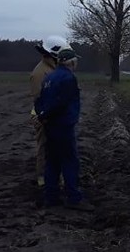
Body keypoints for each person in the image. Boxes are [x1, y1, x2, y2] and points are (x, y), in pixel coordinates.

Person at [36, 46, 92, 210]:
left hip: (50, 126)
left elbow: (39, 100)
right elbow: (62, 102)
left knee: (52, 162)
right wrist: (50, 114)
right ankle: (74, 198)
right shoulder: (68, 79)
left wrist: (42, 115)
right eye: (75, 62)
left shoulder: (49, 77)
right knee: (70, 161)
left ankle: (51, 196)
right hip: (63, 125)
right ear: (71, 62)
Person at [30, 36, 68, 187]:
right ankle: (43, 180)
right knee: (45, 148)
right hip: (45, 118)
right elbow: (40, 99)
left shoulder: (52, 69)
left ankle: (56, 178)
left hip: (54, 116)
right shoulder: (40, 73)